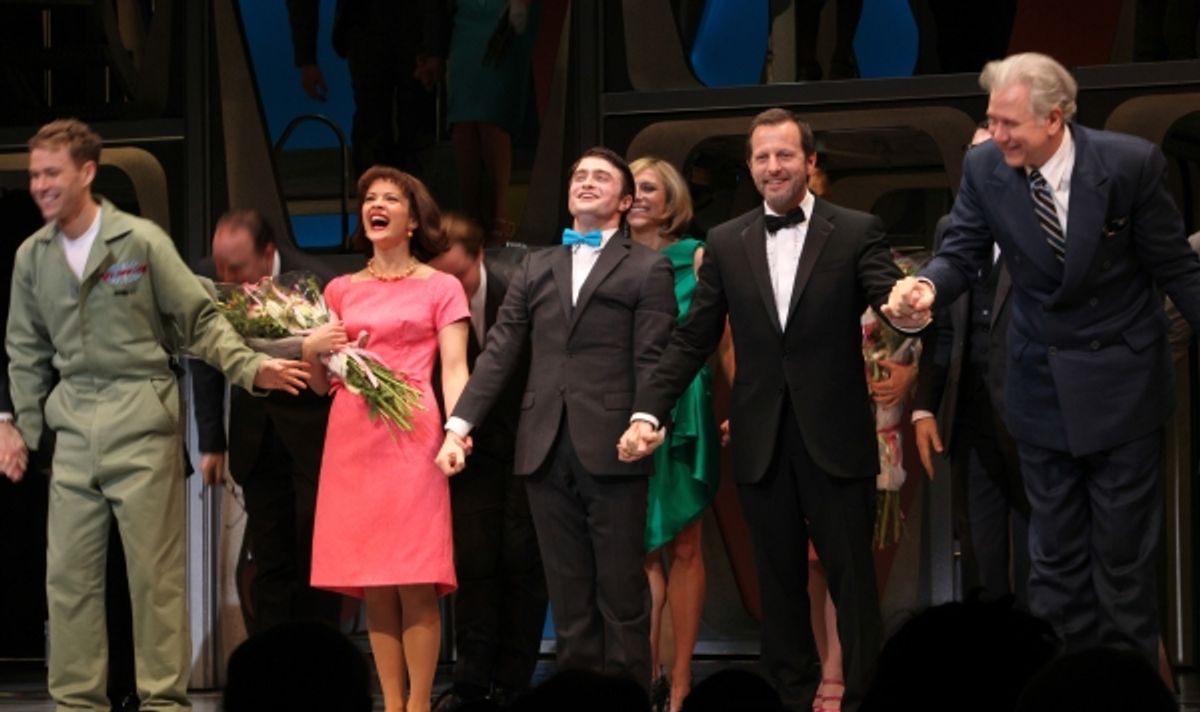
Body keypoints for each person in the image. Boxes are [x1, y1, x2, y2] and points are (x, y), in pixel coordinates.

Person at [885, 52, 1200, 665]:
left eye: (1009, 123)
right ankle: (1061, 689)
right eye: (991, 119)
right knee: (1053, 565)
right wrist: (926, 288)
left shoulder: (1129, 164)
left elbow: (1176, 268)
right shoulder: (985, 168)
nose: (995, 134)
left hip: (1123, 387)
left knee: (1123, 563)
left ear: (1055, 118)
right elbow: (960, 252)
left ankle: (1128, 693)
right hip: (1037, 385)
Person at [5, 118, 310, 711]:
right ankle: (76, 704)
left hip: (140, 420)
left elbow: (200, 320)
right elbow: (24, 348)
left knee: (154, 581)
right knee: (67, 581)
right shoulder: (31, 257)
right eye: (34, 174)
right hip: (73, 429)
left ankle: (164, 705)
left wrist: (251, 369)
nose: (39, 185)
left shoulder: (139, 242)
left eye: (51, 173)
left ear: (86, 173)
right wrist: (19, 426)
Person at [623, 108, 903, 711]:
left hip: (835, 435)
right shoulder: (726, 240)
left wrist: (911, 307)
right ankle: (790, 700)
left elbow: (889, 302)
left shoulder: (856, 229)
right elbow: (694, 336)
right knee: (777, 589)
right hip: (760, 438)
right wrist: (650, 411)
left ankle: (864, 700)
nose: (773, 166)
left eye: (784, 155)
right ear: (749, 167)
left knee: (853, 585)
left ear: (809, 162)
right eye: (761, 157)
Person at [436, 147, 677, 692]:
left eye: (601, 177)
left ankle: (631, 701)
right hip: (543, 445)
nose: (587, 183)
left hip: (616, 443)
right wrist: (459, 426)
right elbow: (499, 351)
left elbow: (653, 355)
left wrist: (646, 417)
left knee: (621, 597)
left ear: (625, 198)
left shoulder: (648, 267)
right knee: (568, 601)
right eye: (579, 176)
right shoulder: (534, 266)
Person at [303, 166, 470, 712]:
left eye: (390, 199)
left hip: (414, 432)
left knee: (415, 572)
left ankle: (419, 705)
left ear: (414, 218)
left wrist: (456, 432)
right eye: (369, 199)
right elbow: (323, 382)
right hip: (353, 435)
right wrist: (311, 349)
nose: (376, 206)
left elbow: (454, 369)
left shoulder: (441, 286)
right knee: (375, 578)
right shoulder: (339, 289)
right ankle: (392, 705)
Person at [191, 209, 345, 633]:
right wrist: (212, 442)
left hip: (313, 440)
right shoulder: (210, 280)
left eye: (236, 267)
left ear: (268, 253)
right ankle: (271, 669)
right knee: (269, 559)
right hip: (255, 438)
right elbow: (206, 360)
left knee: (315, 558)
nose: (225, 276)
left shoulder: (316, 282)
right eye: (220, 265)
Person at [428, 214, 547, 711]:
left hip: (524, 444)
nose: (451, 288)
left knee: (524, 563)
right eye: (442, 276)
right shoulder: (428, 295)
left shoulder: (517, 289)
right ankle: (471, 680)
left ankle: (515, 680)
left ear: (480, 257)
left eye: (460, 276)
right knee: (474, 564)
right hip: (466, 450)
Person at [911, 127, 1031, 608]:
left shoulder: (1042, 223)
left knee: (1037, 544)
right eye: (972, 154)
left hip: (1033, 413)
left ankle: (1042, 655)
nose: (978, 165)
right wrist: (924, 407)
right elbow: (943, 327)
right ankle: (987, 659)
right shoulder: (950, 231)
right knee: (978, 541)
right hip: (970, 410)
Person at [626, 156, 720, 712]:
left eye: (649, 188)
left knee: (685, 542)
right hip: (626, 409)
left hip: (685, 407)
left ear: (670, 201)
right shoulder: (606, 258)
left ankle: (681, 681)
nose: (638, 196)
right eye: (631, 187)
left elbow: (724, 340)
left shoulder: (699, 256)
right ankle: (646, 679)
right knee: (638, 548)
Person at [287, 0, 448, 174]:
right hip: (371, 29)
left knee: (410, 124)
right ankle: (380, 192)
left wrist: (435, 47)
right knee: (378, 125)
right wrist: (306, 59)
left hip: (406, 32)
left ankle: (407, 195)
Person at [446, 0, 540, 243]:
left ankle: (500, 215)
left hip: (506, 14)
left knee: (493, 113)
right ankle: (471, 215)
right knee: (462, 117)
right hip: (465, 16)